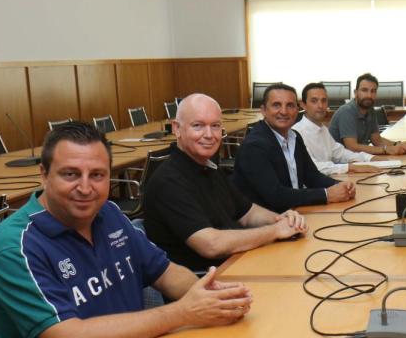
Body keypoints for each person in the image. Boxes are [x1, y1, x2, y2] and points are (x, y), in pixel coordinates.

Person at [0, 122, 253, 338]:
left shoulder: (109, 214)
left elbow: (167, 273)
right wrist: (183, 313)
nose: (85, 188)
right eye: (70, 174)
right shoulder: (15, 246)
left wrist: (212, 296)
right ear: (43, 175)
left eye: (97, 175)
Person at [143, 93, 307, 272]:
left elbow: (248, 213)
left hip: (237, 263)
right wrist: (275, 231)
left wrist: (283, 220)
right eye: (198, 126)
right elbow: (211, 245)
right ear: (176, 128)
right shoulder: (168, 181)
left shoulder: (208, 167)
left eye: (215, 126)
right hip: (205, 282)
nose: (209, 135)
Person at [232, 83, 355, 212]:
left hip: (294, 212)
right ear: (263, 110)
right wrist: (326, 194)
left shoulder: (295, 137)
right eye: (276, 105)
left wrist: (339, 185)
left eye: (290, 105)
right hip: (265, 222)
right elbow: (275, 196)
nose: (284, 111)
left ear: (297, 109)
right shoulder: (254, 146)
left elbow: (312, 176)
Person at [292, 82, 382, 176]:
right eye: (314, 101)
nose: (320, 106)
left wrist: (369, 158)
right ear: (303, 105)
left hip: (328, 181)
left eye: (324, 101)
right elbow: (313, 167)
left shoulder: (323, 129)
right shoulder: (296, 133)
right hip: (312, 188)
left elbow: (340, 154)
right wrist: (351, 167)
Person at [328, 73, 406, 155]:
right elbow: (352, 147)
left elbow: (378, 141)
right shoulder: (347, 112)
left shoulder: (370, 111)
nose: (369, 95)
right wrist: (386, 150)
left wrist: (398, 145)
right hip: (339, 164)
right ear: (355, 92)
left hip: (357, 159)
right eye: (364, 90)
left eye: (373, 91)